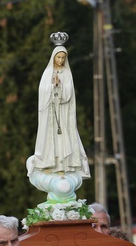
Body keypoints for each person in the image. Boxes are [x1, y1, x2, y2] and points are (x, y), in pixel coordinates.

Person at [26, 44, 90, 177]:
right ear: (53, 57)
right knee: (50, 137)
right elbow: (43, 91)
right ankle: (49, 164)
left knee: (63, 138)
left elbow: (69, 93)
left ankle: (63, 165)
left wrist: (59, 85)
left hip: (63, 112)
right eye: (58, 57)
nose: (60, 60)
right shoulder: (48, 72)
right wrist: (52, 86)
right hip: (50, 113)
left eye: (63, 58)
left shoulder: (66, 72)